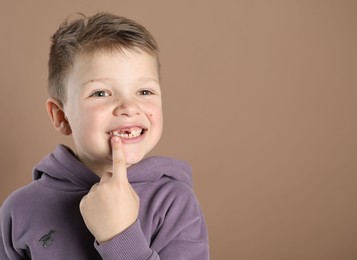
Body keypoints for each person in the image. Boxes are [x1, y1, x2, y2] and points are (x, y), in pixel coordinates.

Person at [0, 12, 209, 259]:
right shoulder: (20, 209)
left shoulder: (174, 202)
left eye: (144, 91)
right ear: (61, 116)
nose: (129, 107)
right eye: (101, 93)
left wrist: (120, 236)